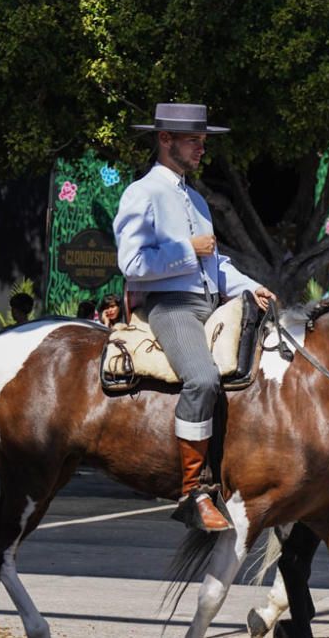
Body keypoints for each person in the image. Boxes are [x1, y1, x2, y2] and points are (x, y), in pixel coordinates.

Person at [114, 102, 275, 532]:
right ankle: (193, 492)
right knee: (202, 378)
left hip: (210, 304)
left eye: (203, 141)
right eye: (194, 141)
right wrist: (188, 250)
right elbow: (131, 263)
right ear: (165, 140)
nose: (202, 149)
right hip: (169, 305)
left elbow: (217, 265)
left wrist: (250, 287)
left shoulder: (197, 199)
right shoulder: (140, 193)